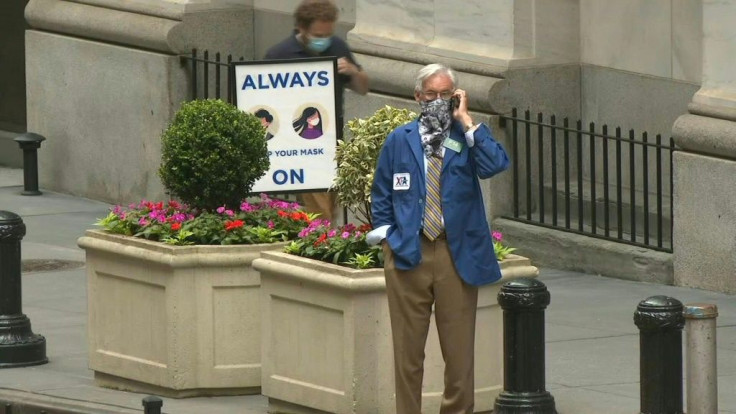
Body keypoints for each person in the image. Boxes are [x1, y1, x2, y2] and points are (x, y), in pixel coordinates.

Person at [367, 63, 509, 414]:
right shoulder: (400, 139)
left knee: (459, 355)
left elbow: (495, 165)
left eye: (446, 94)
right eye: (431, 94)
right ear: (418, 97)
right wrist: (388, 236)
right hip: (408, 254)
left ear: (457, 96)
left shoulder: (467, 138)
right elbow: (382, 192)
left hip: (454, 255)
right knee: (408, 354)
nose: (438, 100)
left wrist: (467, 121)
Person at [264, 0, 369, 223]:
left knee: (332, 204)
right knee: (320, 209)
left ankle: (323, 241)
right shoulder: (279, 55)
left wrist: (353, 71)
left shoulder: (338, 47)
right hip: (301, 144)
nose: (323, 40)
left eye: (328, 35)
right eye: (318, 35)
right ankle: (322, 244)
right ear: (301, 28)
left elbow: (363, 88)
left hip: (333, 141)